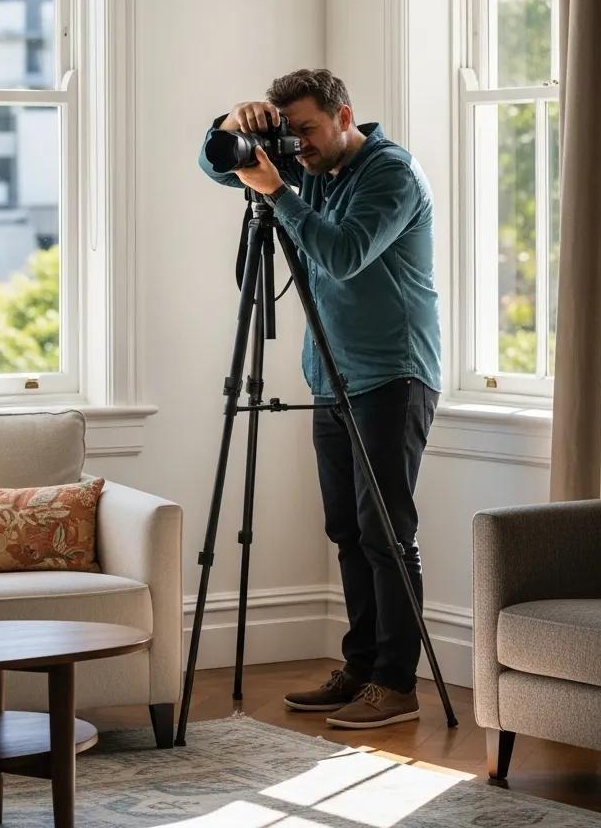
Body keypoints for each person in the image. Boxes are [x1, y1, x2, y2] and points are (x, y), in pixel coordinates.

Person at [198, 68, 441, 729]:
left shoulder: (391, 174)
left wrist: (278, 191)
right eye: (288, 131)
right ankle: (360, 669)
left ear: (343, 116)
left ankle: (397, 684)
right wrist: (231, 124)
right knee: (347, 530)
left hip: (394, 373)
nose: (296, 143)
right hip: (330, 375)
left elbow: (342, 254)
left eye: (305, 128)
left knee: (387, 533)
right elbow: (218, 167)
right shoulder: (307, 166)